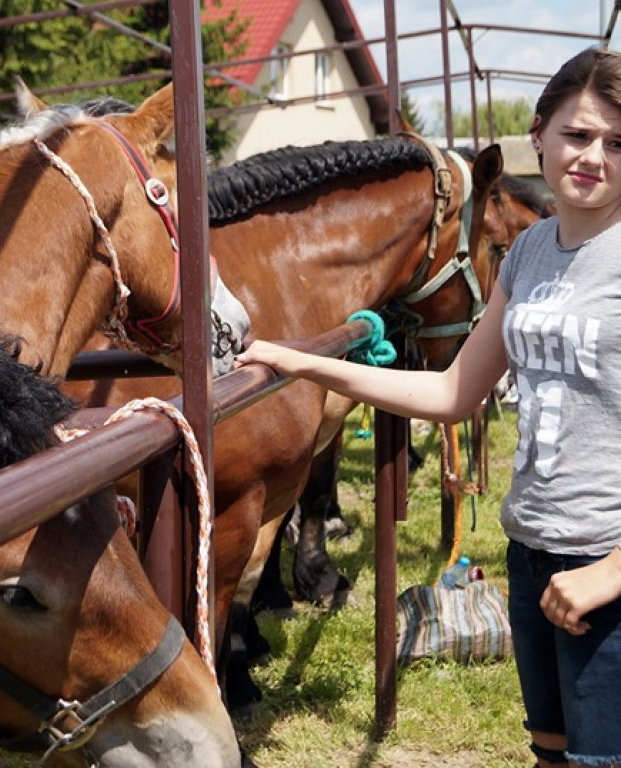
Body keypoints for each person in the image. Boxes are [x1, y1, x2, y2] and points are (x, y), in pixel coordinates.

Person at [235, 47, 621, 768]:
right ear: (538, 135)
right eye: (578, 134)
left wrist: (613, 570)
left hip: (608, 565)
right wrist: (302, 361)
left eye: (618, 141)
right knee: (553, 753)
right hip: (536, 552)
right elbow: (451, 392)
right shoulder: (532, 250)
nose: (594, 156)